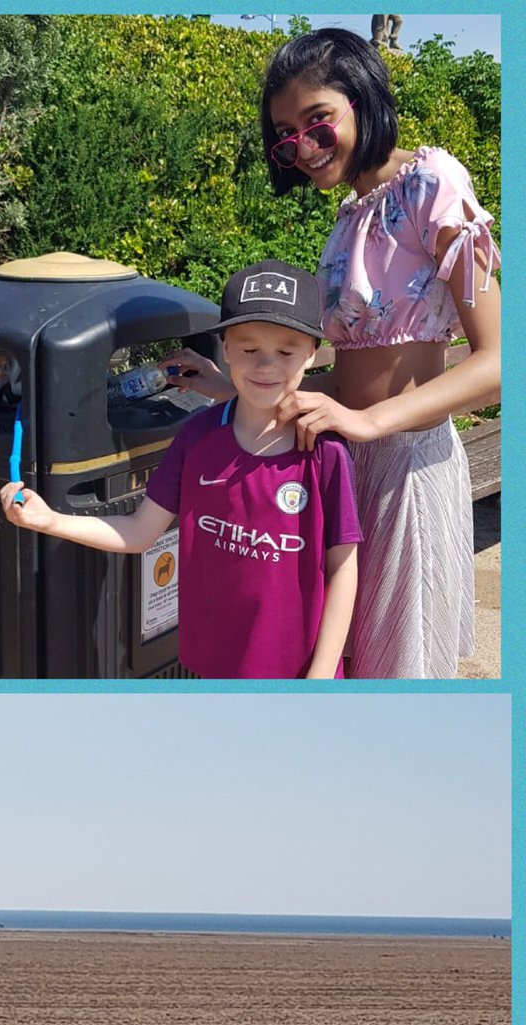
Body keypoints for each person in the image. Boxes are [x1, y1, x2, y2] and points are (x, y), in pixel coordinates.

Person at [162, 28, 500, 678]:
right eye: (287, 136)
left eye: (319, 122)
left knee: (398, 672)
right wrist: (233, 384)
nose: (305, 147)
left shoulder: (433, 183)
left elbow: (500, 360)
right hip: (339, 463)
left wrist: (370, 423)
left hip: (404, 471)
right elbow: (351, 358)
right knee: (337, 657)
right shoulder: (350, 216)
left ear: (364, 96)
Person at [1, 260, 362, 679]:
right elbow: (139, 533)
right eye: (249, 350)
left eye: (286, 351)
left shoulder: (325, 451)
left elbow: (344, 566)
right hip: (214, 669)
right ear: (225, 349)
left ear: (311, 354)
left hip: (300, 678)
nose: (266, 366)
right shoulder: (197, 438)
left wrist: (319, 679)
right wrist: (49, 520)